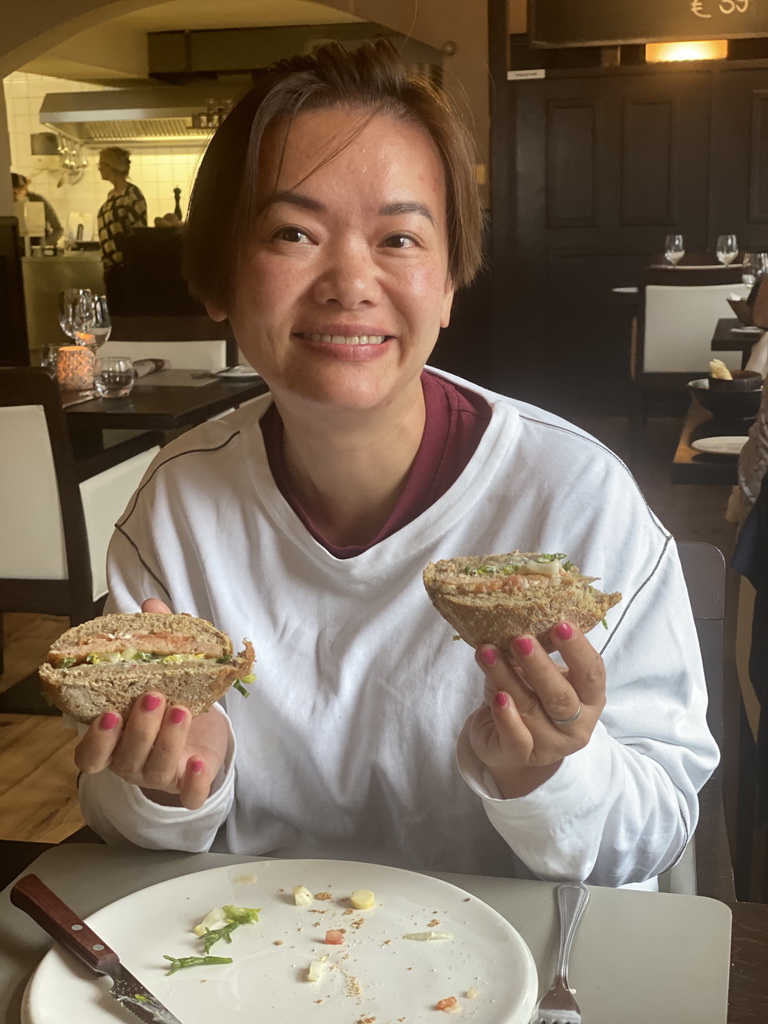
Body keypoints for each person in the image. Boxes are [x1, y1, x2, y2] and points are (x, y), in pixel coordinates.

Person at [74, 40, 719, 888]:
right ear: (221, 279)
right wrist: (169, 789)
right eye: (292, 232)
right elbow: (123, 830)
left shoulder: (576, 499)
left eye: (400, 238)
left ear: (450, 280)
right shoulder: (179, 507)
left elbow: (662, 830)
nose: (350, 280)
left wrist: (549, 775)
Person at [96, 147, 147, 312]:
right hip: (111, 267)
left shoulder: (132, 195)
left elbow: (138, 234)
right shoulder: (112, 195)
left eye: (101, 164)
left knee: (124, 314)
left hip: (126, 269)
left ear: (111, 166)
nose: (99, 169)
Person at [11, 172, 63, 247]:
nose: (15, 197)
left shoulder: (38, 201)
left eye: (18, 192)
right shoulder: (5, 203)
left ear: (25, 188)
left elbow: (58, 229)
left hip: (37, 243)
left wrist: (44, 244)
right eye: (12, 193)